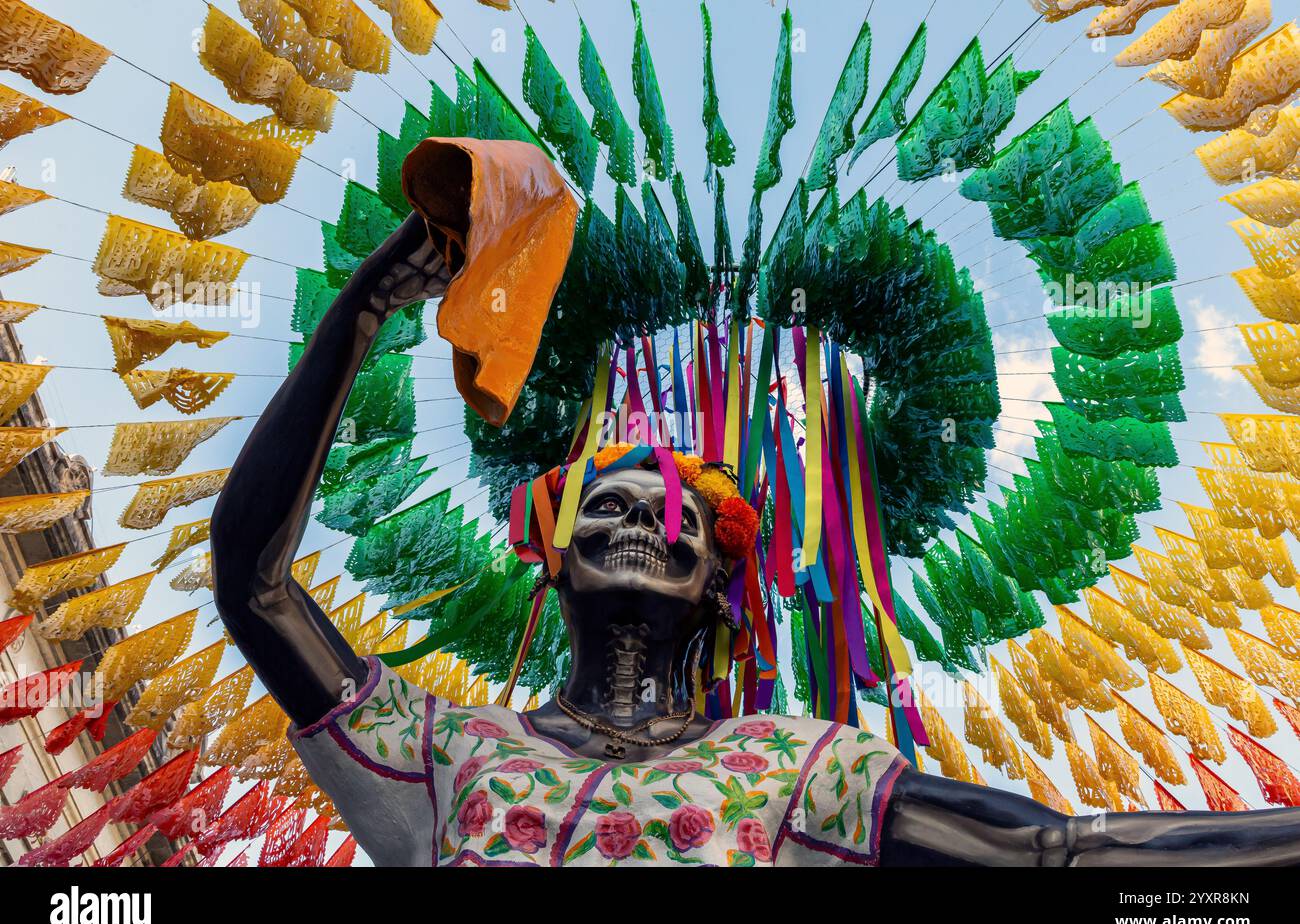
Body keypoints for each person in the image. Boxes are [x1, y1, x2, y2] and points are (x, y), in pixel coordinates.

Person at [212, 139, 1300, 867]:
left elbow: (1058, 853)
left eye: (675, 514)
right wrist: (363, 308)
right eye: (605, 506)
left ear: (719, 582)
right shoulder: (442, 753)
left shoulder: (799, 769)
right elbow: (252, 583)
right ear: (554, 559)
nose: (639, 519)